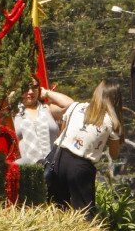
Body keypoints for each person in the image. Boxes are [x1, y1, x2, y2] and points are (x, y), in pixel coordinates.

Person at [41, 82, 120, 211]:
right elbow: (114, 154)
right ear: (116, 100)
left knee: (57, 209)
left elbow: (62, 134)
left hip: (59, 158)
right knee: (85, 213)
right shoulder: (113, 122)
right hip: (80, 166)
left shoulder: (76, 106)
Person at [12, 82, 58, 167]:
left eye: (34, 87)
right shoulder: (14, 112)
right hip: (28, 171)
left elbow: (69, 104)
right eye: (26, 87)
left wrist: (47, 93)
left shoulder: (48, 108)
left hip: (54, 168)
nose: (31, 91)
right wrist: (13, 97)